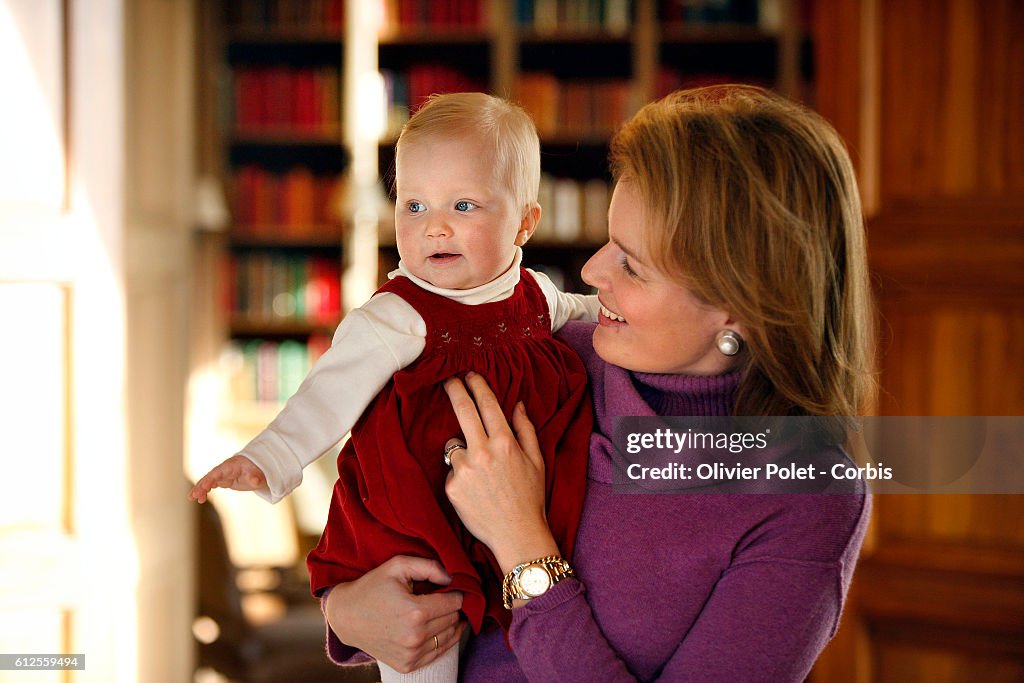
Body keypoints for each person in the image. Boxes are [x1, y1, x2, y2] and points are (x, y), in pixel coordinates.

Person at [320, 84, 876, 681]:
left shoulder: (809, 498)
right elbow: (385, 501)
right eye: (610, 240)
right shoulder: (542, 358)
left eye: (631, 265)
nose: (590, 271)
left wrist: (523, 546)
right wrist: (348, 611)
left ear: (742, 305)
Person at [189, 93, 599, 682]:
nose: (434, 225)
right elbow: (328, 392)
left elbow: (585, 310)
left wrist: (620, 306)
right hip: (417, 510)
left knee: (519, 629)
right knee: (426, 630)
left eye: (463, 204)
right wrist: (270, 455)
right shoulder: (398, 314)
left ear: (525, 223)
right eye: (413, 204)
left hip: (509, 507)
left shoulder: (534, 295)